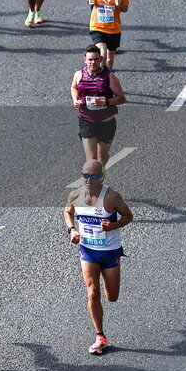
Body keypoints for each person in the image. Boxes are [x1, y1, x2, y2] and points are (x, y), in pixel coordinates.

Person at [64, 159, 133, 355]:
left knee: (111, 297)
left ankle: (106, 282)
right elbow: (67, 212)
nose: (88, 180)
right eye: (85, 176)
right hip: (88, 251)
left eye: (93, 176)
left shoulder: (112, 197)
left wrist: (113, 226)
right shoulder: (75, 194)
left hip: (110, 251)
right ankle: (100, 335)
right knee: (92, 292)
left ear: (101, 176)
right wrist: (71, 230)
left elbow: (128, 216)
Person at [71, 45, 126, 164]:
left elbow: (121, 98)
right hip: (86, 120)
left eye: (96, 59)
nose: (93, 62)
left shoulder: (109, 77)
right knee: (91, 161)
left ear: (101, 59)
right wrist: (75, 100)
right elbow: (74, 87)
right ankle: (91, 182)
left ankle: (100, 176)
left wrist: (106, 102)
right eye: (90, 59)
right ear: (85, 59)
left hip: (106, 122)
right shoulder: (79, 74)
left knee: (102, 158)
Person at [86, 0, 130, 69]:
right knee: (103, 53)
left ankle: (108, 77)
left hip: (113, 29)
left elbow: (125, 9)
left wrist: (119, 5)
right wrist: (89, 0)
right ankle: (100, 80)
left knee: (110, 58)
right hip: (97, 26)